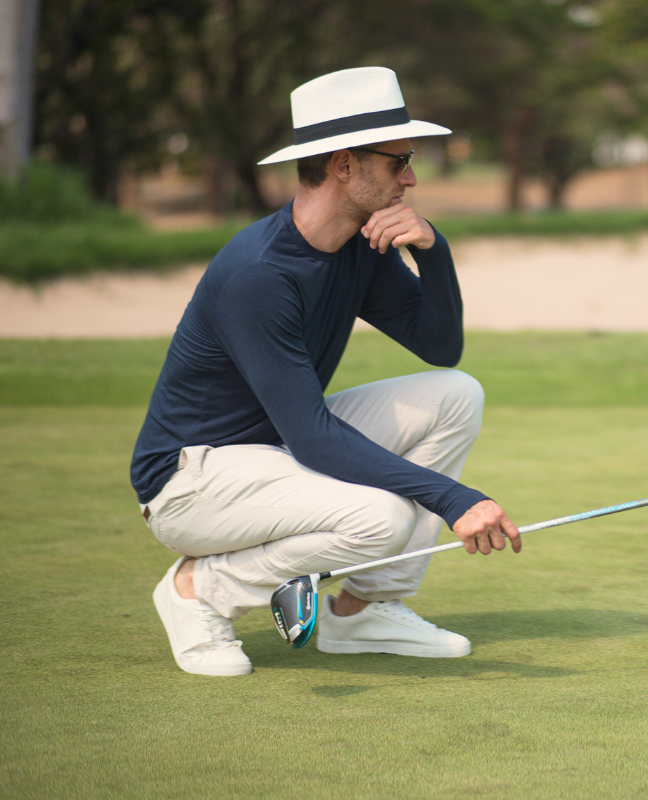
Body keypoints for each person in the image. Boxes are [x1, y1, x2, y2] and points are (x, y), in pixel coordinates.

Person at [131, 67, 521, 677]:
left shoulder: (359, 246)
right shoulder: (259, 275)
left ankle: (361, 608)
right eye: (399, 162)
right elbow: (314, 437)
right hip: (190, 479)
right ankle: (197, 589)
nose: (411, 178)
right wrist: (454, 499)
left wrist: (434, 253)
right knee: (381, 517)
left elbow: (439, 348)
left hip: (273, 447)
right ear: (344, 165)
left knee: (455, 394)